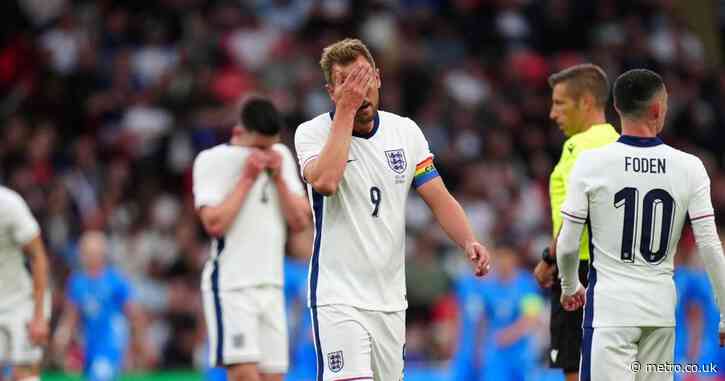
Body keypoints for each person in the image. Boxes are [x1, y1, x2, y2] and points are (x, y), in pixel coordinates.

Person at [293, 38, 490, 381]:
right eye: (346, 83)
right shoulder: (311, 133)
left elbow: (439, 197)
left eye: (364, 78)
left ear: (379, 78)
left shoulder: (405, 131)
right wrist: (345, 111)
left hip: (390, 300)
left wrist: (467, 240)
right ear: (330, 91)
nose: (359, 90)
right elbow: (325, 181)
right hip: (338, 296)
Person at [557, 69, 725, 381]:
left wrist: (569, 285)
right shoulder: (690, 167)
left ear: (616, 108)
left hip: (610, 312)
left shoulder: (591, 163)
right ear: (658, 109)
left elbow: (567, 243)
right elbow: (710, 246)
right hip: (660, 314)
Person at [193, 97, 310, 381]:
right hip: (232, 283)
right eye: (258, 147)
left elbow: (300, 220)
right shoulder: (212, 160)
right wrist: (247, 178)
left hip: (272, 285)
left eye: (269, 145)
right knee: (245, 375)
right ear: (238, 133)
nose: (265, 153)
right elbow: (214, 223)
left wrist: (280, 178)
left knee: (274, 377)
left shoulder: (281, 156)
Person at [532, 63, 619, 381]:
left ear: (585, 102)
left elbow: (575, 217)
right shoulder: (619, 143)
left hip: (577, 269)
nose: (553, 114)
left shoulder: (578, 147)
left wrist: (547, 259)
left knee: (576, 369)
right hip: (614, 270)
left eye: (559, 103)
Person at [53, 231, 148, 381]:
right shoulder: (77, 283)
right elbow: (70, 317)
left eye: (93, 253)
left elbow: (134, 314)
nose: (88, 257)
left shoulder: (116, 281)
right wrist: (61, 339)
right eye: (85, 253)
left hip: (112, 345)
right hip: (89, 346)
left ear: (102, 254)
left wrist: (137, 347)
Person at [451, 247, 543, 381]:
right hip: (495, 354)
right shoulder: (488, 287)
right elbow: (482, 320)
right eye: (500, 259)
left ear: (514, 260)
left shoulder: (526, 285)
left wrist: (509, 335)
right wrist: (478, 348)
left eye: (506, 258)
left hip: (521, 352)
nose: (503, 263)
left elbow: (532, 317)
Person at [0, 186, 50, 381]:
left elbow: (38, 256)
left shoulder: (9, 204)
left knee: (25, 376)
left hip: (21, 304)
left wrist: (39, 315)